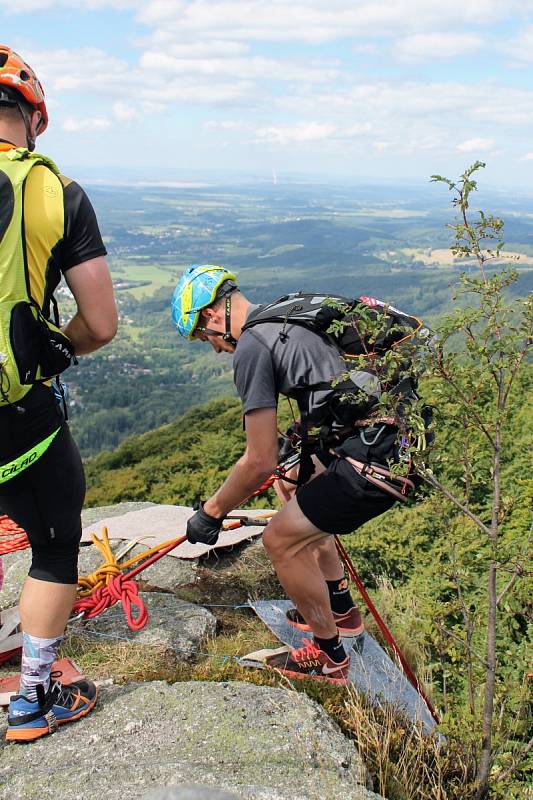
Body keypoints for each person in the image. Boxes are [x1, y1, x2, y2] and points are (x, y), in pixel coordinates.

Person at [172, 265, 414, 683]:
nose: (213, 348)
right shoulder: (283, 314)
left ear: (211, 315)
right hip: (394, 442)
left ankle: (329, 657)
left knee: (280, 540)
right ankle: (342, 611)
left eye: (204, 337)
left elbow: (257, 460)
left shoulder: (251, 346)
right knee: (289, 481)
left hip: (372, 462)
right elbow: (327, 384)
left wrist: (211, 513)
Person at [0, 45, 118, 740]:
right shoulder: (57, 192)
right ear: (34, 117)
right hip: (17, 412)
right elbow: (100, 322)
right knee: (52, 544)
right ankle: (32, 700)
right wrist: (54, 350)